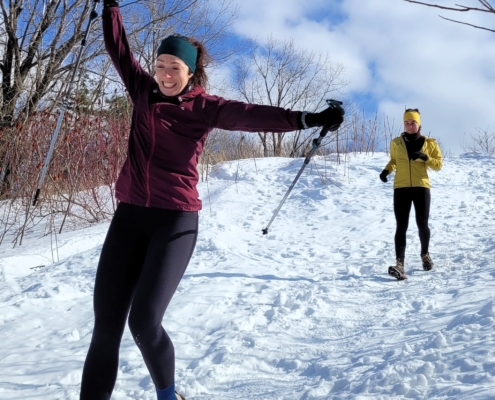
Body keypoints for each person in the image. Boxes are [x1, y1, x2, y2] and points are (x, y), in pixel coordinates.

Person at [79, 2, 345, 400]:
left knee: (145, 323)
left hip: (174, 222)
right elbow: (119, 50)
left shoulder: (205, 108)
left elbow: (251, 116)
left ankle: (168, 395)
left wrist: (308, 119)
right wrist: (111, 7)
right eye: (161, 65)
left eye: (175, 67)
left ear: (190, 72)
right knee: (106, 327)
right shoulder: (142, 90)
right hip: (129, 217)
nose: (166, 74)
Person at [379, 108, 442, 281]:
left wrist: (425, 158)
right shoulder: (396, 142)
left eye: (413, 122)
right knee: (401, 225)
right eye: (406, 122)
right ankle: (399, 264)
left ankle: (425, 254)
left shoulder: (429, 143)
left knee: (422, 224)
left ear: (419, 124)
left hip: (421, 187)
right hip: (401, 187)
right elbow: (394, 160)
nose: (409, 125)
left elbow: (438, 165)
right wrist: (386, 171)